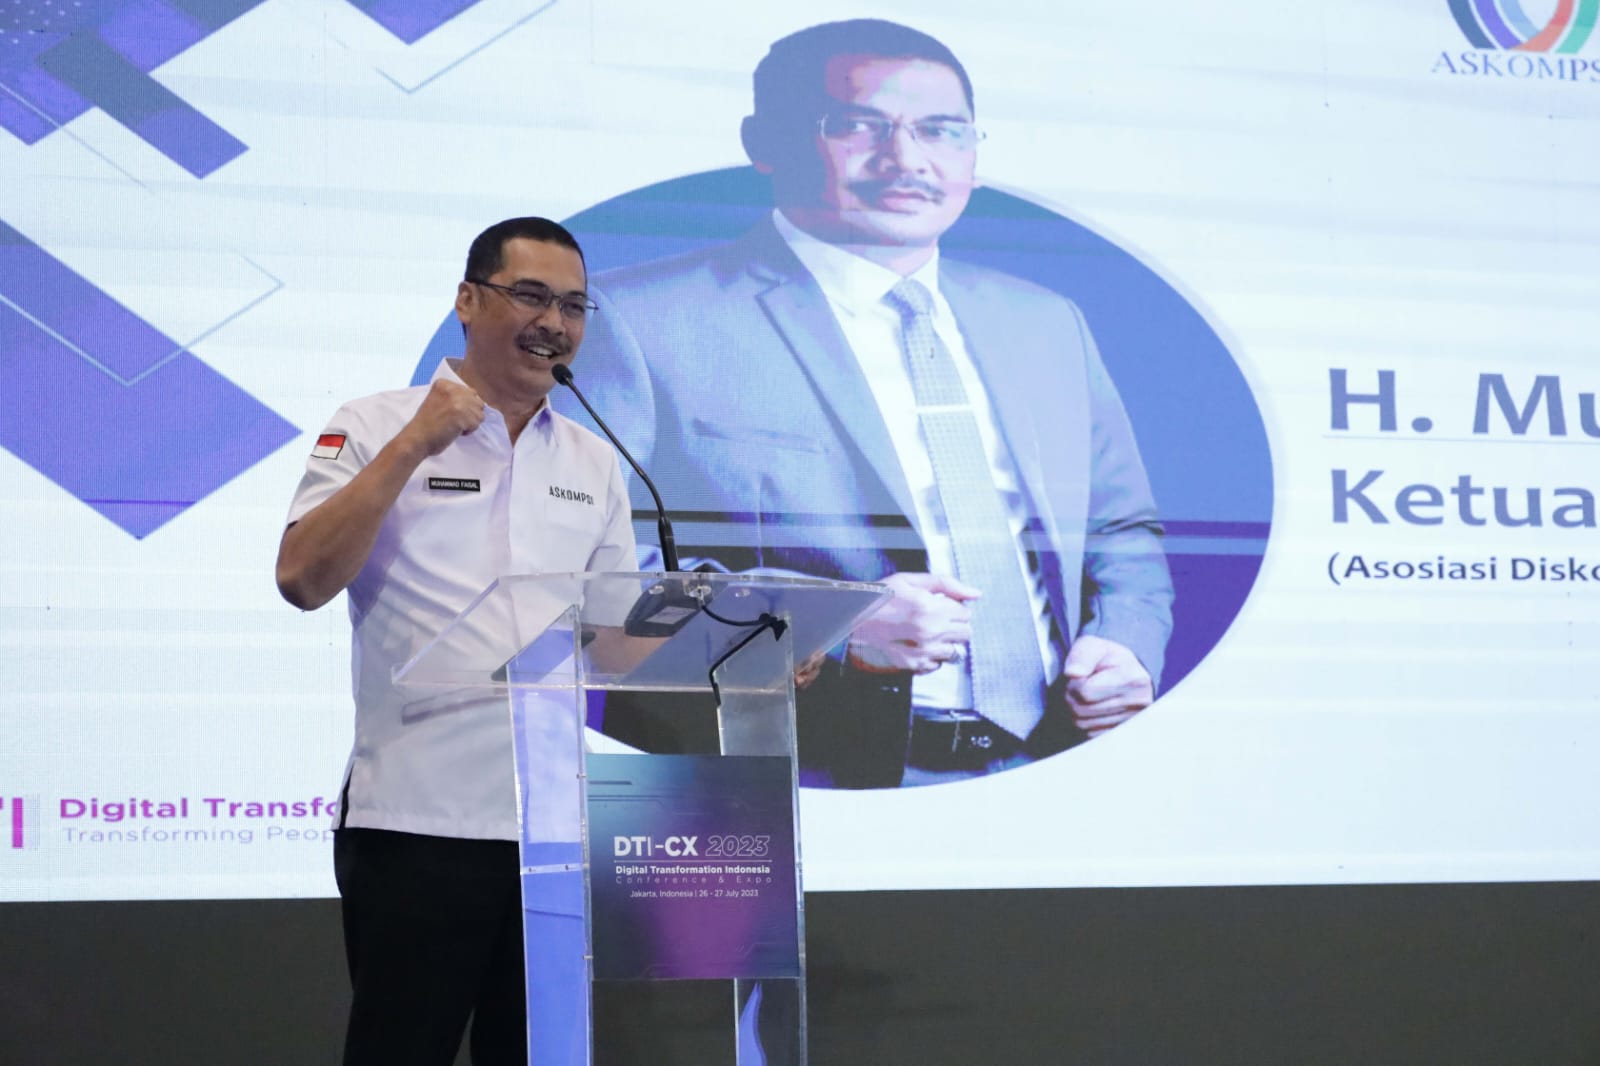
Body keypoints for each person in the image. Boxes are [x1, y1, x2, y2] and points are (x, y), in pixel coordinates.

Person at [561, 18, 1174, 788]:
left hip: (1050, 765)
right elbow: (583, 589)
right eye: (857, 125)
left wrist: (1126, 641)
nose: (907, 159)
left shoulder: (1047, 322)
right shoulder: (635, 321)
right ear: (764, 142)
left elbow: (1121, 530)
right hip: (773, 784)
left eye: (941, 130)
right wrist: (827, 630)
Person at [276, 218, 637, 1065]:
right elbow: (302, 577)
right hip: (415, 823)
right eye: (531, 296)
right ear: (467, 301)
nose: (554, 322)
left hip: (553, 836)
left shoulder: (595, 460)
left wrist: (748, 654)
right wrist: (416, 443)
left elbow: (616, 646)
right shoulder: (374, 425)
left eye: (574, 306)